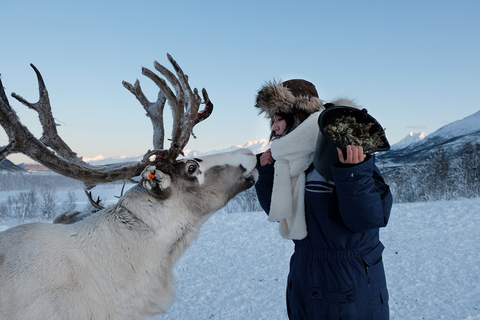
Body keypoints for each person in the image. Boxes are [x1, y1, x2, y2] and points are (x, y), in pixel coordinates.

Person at [254, 79, 392, 319]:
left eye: (279, 119)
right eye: (272, 121)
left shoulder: (341, 147)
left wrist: (354, 173)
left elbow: (369, 218)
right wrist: (266, 176)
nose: (274, 128)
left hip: (348, 280)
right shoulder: (289, 161)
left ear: (299, 114)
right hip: (305, 274)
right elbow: (281, 214)